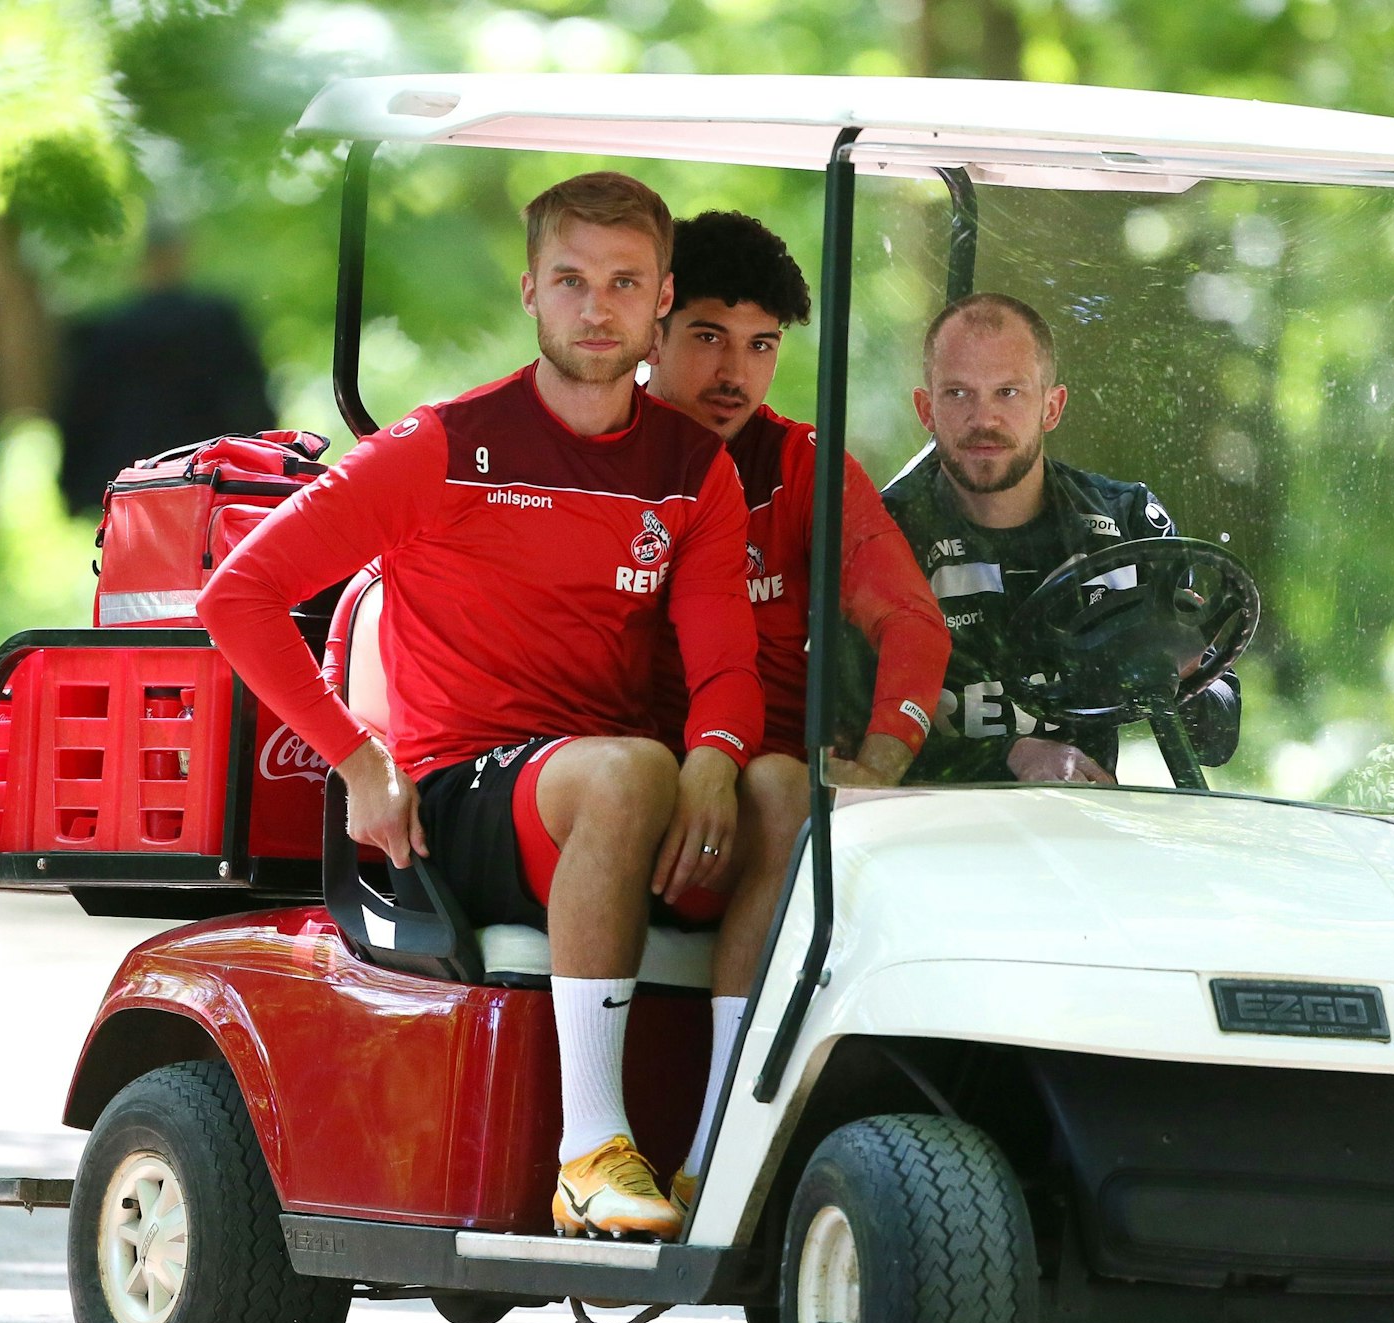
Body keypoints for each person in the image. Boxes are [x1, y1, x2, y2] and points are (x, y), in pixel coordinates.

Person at [198, 173, 763, 1243]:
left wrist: (720, 756)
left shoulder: (693, 468)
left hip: (596, 795)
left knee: (777, 785)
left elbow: (726, 660)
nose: (596, 307)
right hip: (455, 802)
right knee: (634, 766)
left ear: (659, 299)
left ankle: (721, 1146)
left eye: (623, 282)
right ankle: (589, 1147)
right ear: (530, 293)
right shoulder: (443, 443)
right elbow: (239, 596)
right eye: (570, 280)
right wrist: (355, 757)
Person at [643, 211, 949, 1209]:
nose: (736, 370)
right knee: (767, 780)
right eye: (707, 336)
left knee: (784, 779)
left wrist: (880, 760)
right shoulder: (597, 454)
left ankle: (716, 1153)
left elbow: (911, 624)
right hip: (625, 772)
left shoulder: (808, 467)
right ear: (651, 328)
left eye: (761, 344)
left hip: (766, 794)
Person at [883, 292, 1239, 784]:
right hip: (925, 831)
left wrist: (1177, 677)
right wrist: (1012, 755)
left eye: (1009, 392)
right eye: (958, 393)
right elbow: (844, 738)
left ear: (1052, 407)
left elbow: (1218, 739)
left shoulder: (1127, 522)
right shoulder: (881, 534)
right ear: (926, 409)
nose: (984, 419)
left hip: (1082, 830)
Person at [57, 219, 274, 514]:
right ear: (181, 254)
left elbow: (82, 411)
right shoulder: (217, 322)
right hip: (204, 476)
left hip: (129, 482)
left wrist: (71, 486)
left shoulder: (109, 330)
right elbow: (250, 401)